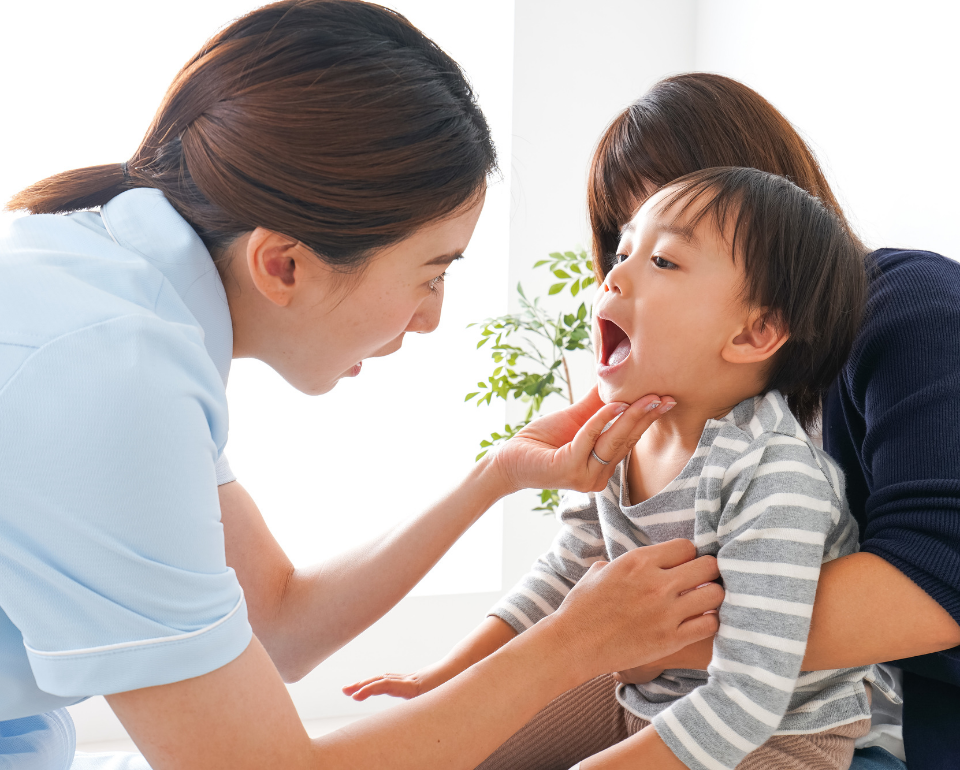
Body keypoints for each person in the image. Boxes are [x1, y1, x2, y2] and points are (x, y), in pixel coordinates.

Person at [0, 6, 726, 770]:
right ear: (282, 264)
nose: (432, 319)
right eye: (432, 273)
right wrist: (572, 645)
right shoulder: (112, 378)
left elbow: (276, 624)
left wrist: (497, 476)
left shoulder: (112, 292)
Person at [347, 73, 960, 770]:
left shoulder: (889, 332)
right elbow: (574, 564)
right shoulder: (650, 419)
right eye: (622, 244)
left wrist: (627, 639)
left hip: (813, 718)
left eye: (670, 254)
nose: (620, 276)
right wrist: (453, 681)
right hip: (667, 686)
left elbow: (932, 580)